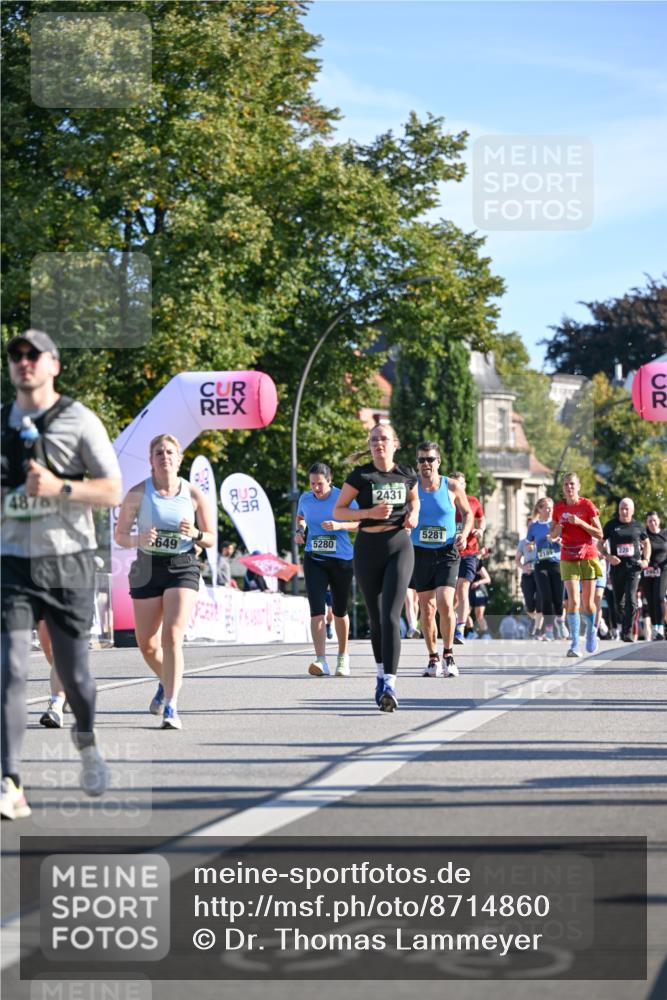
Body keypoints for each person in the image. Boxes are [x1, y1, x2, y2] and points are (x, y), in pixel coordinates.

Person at [1, 329, 122, 820]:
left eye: (33, 355)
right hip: (12, 561)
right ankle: (10, 779)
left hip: (68, 560)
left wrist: (60, 488)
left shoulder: (78, 420)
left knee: (74, 676)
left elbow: (113, 491)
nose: (23, 362)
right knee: (9, 668)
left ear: (53, 364)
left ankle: (87, 740)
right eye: (15, 355)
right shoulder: (1, 423)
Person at [115, 434, 215, 730]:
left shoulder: (194, 494)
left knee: (172, 636)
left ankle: (171, 705)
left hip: (182, 566)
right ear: (151, 460)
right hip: (146, 567)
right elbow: (119, 536)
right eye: (159, 452)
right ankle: (165, 680)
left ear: (179, 458)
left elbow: (210, 538)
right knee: (146, 644)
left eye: (170, 452)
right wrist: (139, 538)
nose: (165, 457)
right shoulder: (137, 493)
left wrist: (195, 534)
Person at [334, 424, 418, 712]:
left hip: (399, 545)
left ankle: (391, 685)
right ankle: (381, 676)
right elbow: (339, 510)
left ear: (395, 442)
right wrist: (369, 513)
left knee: (392, 616)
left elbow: (414, 499)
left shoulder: (407, 473)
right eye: (373, 440)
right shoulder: (361, 475)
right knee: (376, 618)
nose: (378, 443)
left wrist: (414, 514)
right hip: (368, 548)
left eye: (383, 438)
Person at [410, 442, 472, 678]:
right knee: (426, 608)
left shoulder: (452, 486)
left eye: (430, 459)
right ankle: (432, 657)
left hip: (447, 550)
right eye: (421, 460)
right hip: (419, 552)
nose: (426, 464)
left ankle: (448, 654)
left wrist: (463, 535)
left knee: (445, 602)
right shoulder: (412, 488)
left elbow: (468, 514)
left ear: (439, 461)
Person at [295, 462, 358, 677]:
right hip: (314, 557)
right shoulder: (305, 498)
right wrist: (300, 531)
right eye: (313, 484)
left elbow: (361, 521)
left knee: (339, 610)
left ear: (329, 481)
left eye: (320, 484)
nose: (316, 488)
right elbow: (301, 517)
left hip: (341, 559)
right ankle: (321, 660)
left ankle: (343, 656)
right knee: (316, 610)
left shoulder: (343, 497)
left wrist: (340, 525)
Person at [550, 472, 603, 657]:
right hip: (568, 555)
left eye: (572, 484)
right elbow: (553, 535)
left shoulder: (587, 505)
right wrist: (559, 527)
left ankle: (591, 632)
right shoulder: (558, 508)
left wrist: (580, 522)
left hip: (588, 555)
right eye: (566, 484)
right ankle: (574, 644)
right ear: (563, 488)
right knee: (573, 601)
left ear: (578, 487)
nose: (569, 487)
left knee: (588, 604)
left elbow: (599, 533)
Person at [600, 497, 651, 642]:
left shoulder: (638, 526)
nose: (623, 511)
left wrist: (646, 560)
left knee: (632, 600)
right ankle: (624, 624)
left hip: (633, 568)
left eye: (627, 508)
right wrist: (608, 556)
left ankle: (628, 632)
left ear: (632, 510)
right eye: (621, 508)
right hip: (617, 569)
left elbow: (646, 543)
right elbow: (600, 544)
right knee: (619, 604)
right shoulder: (611, 525)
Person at [448, 472, 485, 645]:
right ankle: (452, 619)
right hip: (447, 552)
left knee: (463, 588)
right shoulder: (444, 500)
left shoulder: (473, 502)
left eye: (461, 484)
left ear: (465, 485)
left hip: (469, 552)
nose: (458, 487)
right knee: (448, 596)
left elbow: (481, 520)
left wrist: (480, 530)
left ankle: (460, 629)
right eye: (455, 483)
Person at [526, 497, 562, 641]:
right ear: (539, 509)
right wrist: (530, 546)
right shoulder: (534, 526)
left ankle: (560, 620)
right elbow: (528, 543)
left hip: (556, 563)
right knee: (546, 597)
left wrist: (557, 540)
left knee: (558, 599)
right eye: (546, 507)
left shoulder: (556, 524)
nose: (550, 510)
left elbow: (564, 540)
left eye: (551, 507)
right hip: (541, 564)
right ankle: (548, 629)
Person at [643, 511, 667, 640]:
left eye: (654, 520)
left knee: (659, 597)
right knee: (650, 600)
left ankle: (661, 627)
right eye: (649, 521)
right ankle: (655, 627)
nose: (652, 523)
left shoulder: (665, 534)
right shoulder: (644, 535)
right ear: (646, 523)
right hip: (647, 570)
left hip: (662, 570)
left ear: (659, 521)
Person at [515, 525, 541, 635]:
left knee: (541, 601)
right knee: (529, 603)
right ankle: (535, 620)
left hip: (540, 572)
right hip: (528, 574)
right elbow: (517, 560)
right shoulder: (523, 542)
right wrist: (523, 568)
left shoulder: (542, 540)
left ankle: (539, 627)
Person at [469, 562, 492, 639]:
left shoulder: (476, 564)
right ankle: (471, 632)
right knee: (464, 614)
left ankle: (486, 634)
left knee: (479, 615)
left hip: (479, 591)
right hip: (468, 591)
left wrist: (478, 582)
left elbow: (488, 579)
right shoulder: (462, 563)